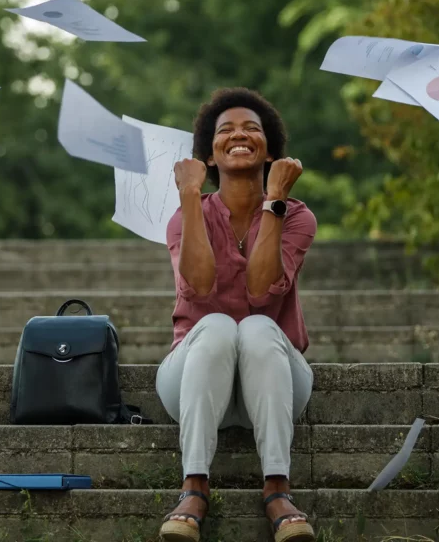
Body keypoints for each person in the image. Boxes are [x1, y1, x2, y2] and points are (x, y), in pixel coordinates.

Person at [156, 87, 317, 542]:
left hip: (275, 382)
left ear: (270, 148)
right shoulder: (184, 215)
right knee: (219, 325)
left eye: (252, 128)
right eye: (225, 130)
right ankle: (194, 488)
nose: (239, 135)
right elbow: (201, 288)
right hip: (193, 380)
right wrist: (190, 195)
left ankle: (277, 490)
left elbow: (260, 291)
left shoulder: (297, 216)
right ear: (210, 153)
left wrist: (275, 201)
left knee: (257, 325)